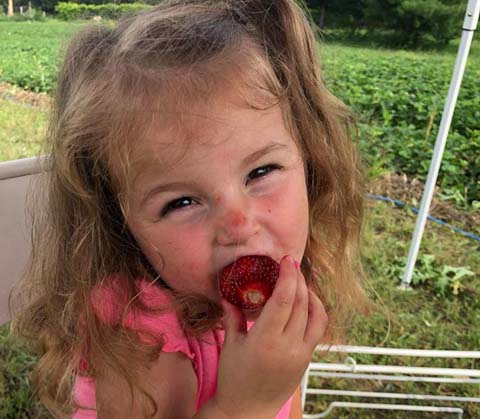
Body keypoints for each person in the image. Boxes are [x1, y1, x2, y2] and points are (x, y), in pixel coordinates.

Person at [10, 0, 370, 417]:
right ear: (119, 223)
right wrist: (248, 402)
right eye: (181, 202)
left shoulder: (285, 288)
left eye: (260, 171)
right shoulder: (138, 332)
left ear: (309, 160)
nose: (238, 224)